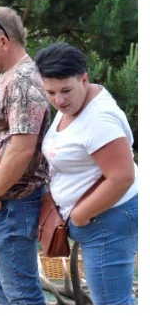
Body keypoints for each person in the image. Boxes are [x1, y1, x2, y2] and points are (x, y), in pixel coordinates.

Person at [36, 42, 138, 305]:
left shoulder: (99, 120)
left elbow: (122, 176)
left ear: (84, 79)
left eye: (66, 90)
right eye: (51, 92)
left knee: (112, 304)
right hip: (98, 218)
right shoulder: (75, 105)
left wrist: (81, 216)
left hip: (106, 219)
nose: (59, 100)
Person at [0, 7, 51, 304]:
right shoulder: (10, 75)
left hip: (11, 203)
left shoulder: (24, 81)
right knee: (4, 289)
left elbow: (22, 147)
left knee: (21, 295)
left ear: (3, 41)